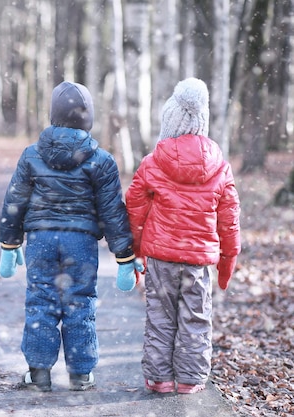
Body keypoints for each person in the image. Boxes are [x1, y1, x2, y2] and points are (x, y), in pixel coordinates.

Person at [0, 81, 143, 392]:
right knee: (80, 302)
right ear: (88, 118)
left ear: (53, 115)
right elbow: (112, 211)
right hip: (81, 243)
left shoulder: (31, 155)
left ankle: (38, 373)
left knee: (41, 301)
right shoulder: (101, 160)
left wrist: (9, 244)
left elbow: (15, 201)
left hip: (41, 240)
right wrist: (124, 255)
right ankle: (81, 373)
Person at [125, 77, 241, 394]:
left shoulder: (153, 162)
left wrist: (132, 252)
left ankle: (159, 378)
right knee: (196, 318)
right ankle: (190, 379)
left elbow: (134, 208)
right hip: (198, 262)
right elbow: (229, 219)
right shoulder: (220, 166)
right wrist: (228, 260)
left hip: (161, 259)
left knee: (161, 318)